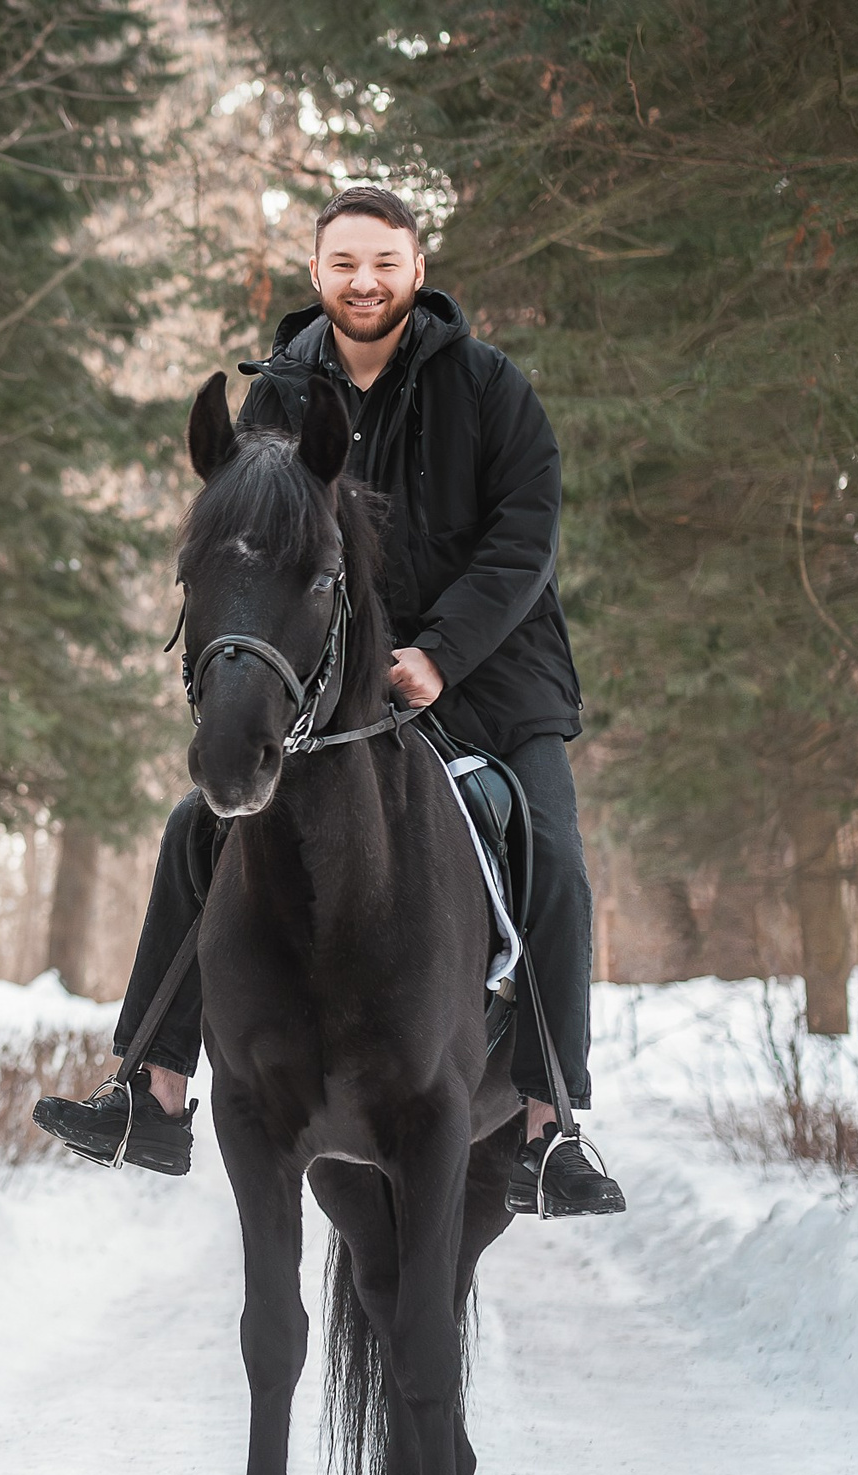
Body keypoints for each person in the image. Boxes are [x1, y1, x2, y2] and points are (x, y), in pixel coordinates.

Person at [32, 184, 623, 1217]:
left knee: (557, 861)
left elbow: (524, 545)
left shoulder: (489, 390)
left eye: (384, 263)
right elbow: (255, 551)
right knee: (196, 826)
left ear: (416, 271)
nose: (364, 282)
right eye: (344, 263)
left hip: (490, 684)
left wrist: (438, 651)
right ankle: (155, 1092)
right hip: (335, 692)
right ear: (316, 274)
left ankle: (547, 1124)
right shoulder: (277, 395)